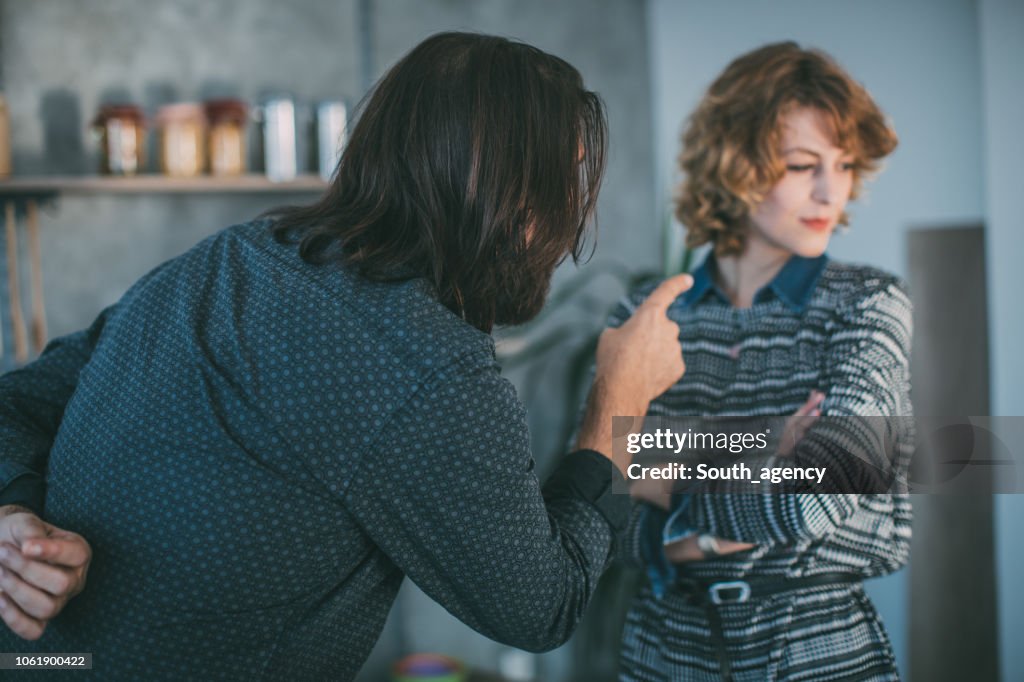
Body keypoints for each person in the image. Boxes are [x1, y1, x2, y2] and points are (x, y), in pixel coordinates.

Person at [0, 32, 691, 680]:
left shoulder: (230, 258)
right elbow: (544, 607)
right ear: (506, 189)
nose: (573, 207)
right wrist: (620, 397)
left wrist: (12, 517)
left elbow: (15, 402)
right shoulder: (427, 371)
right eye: (564, 175)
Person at [611, 43, 912, 681]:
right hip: (663, 656)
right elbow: (600, 512)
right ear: (733, 163)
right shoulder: (645, 313)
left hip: (818, 655)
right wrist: (772, 448)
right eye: (803, 165)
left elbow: (819, 495)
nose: (832, 191)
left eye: (844, 165)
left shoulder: (867, 304)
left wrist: (663, 481)